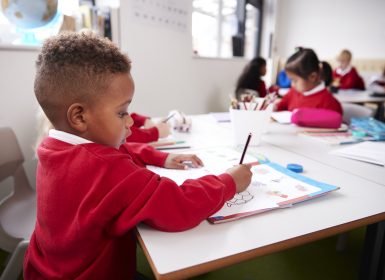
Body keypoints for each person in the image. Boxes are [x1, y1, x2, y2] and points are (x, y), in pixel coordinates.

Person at [24, 32, 252, 280]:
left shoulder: (53, 146)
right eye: (121, 112)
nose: (131, 120)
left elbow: (114, 152)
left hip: (46, 270)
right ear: (79, 117)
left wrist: (160, 158)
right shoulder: (108, 170)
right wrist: (230, 181)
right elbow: (180, 205)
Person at [275, 47, 342, 114]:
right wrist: (274, 106)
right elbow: (280, 106)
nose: (292, 84)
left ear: (312, 77)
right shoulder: (294, 91)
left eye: (295, 80)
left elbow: (336, 120)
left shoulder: (330, 104)